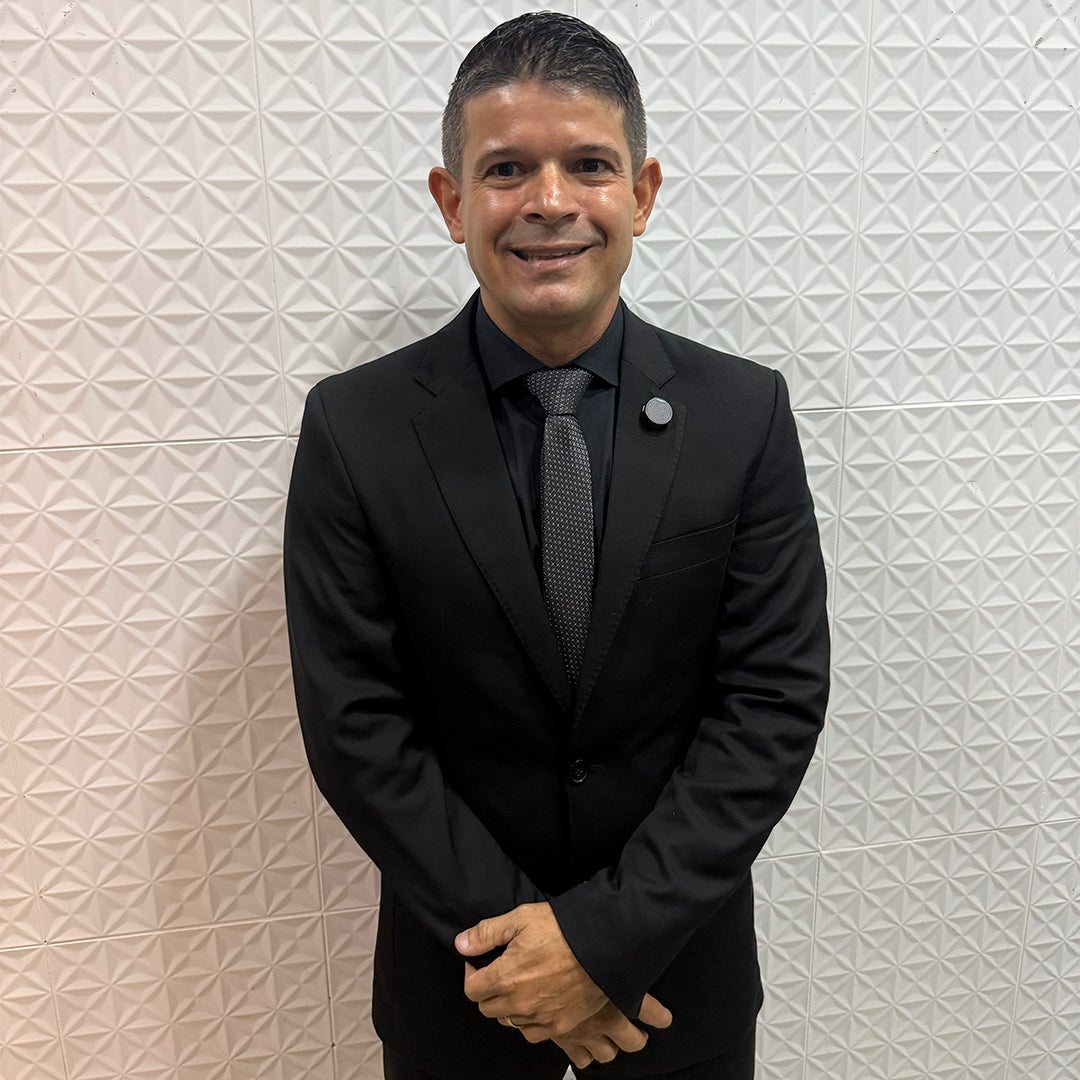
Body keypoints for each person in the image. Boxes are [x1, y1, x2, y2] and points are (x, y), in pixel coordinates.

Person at [283, 12, 830, 1080]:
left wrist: (601, 946)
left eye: (589, 164)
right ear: (452, 201)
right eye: (505, 169)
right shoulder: (355, 428)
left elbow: (772, 701)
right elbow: (356, 725)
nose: (549, 201)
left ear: (643, 192)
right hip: (464, 985)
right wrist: (527, 959)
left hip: (676, 980)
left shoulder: (743, 413)